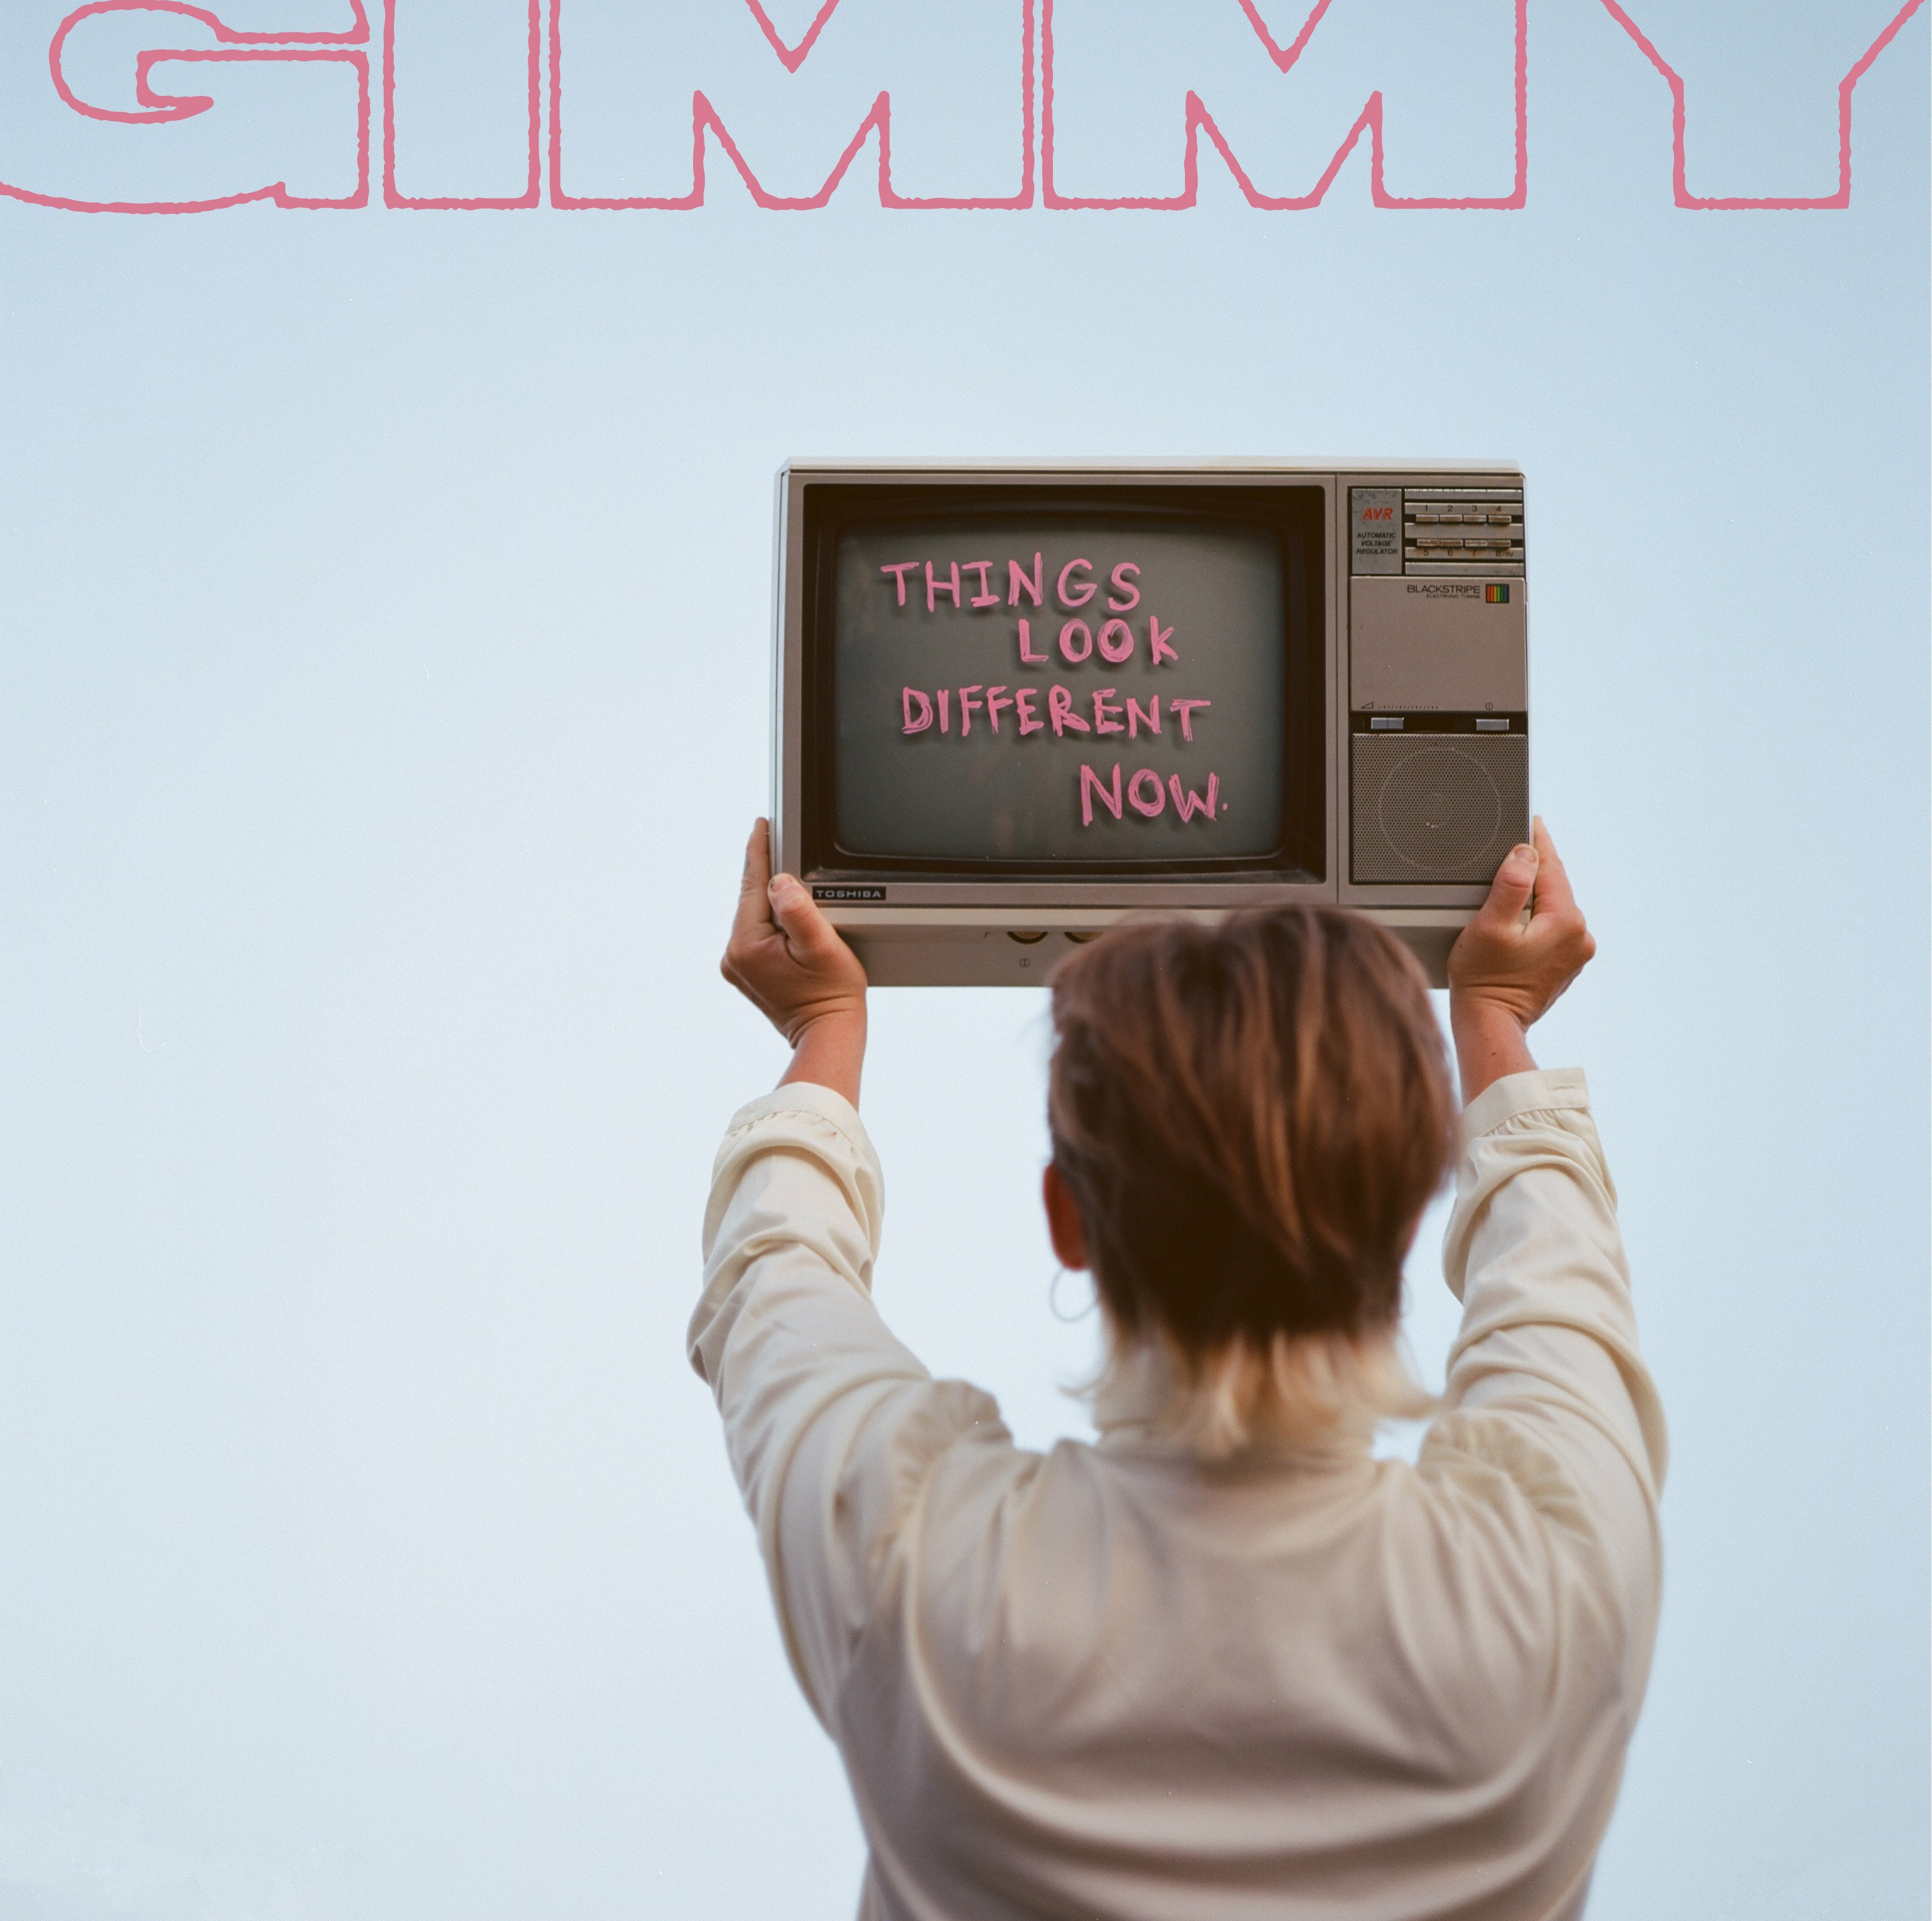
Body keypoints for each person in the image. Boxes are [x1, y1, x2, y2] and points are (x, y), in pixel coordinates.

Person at [694, 818, 1664, 1921]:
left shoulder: (913, 1570)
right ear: (1408, 1210)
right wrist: (1496, 1020)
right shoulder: (1552, 1587)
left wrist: (823, 1027)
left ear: (1069, 1218)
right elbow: (1557, 1274)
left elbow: (774, 1279)